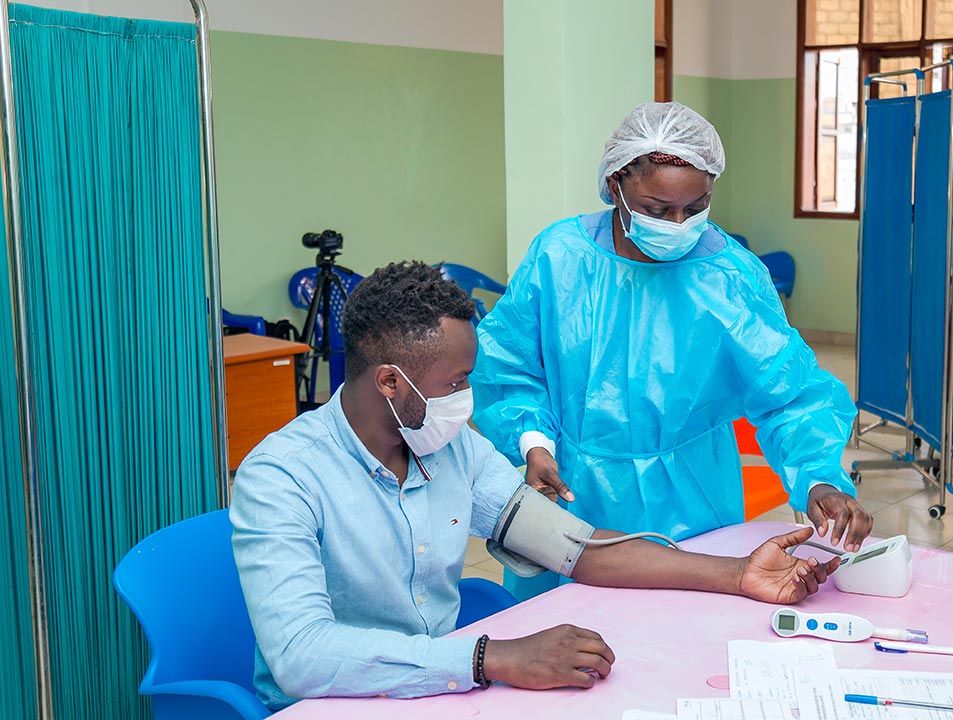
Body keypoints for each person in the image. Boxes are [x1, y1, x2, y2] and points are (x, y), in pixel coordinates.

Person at [230, 261, 841, 709]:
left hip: (439, 689)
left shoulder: (448, 449)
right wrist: (491, 657)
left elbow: (574, 547)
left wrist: (737, 575)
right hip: (332, 702)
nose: (467, 403)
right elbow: (301, 657)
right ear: (390, 382)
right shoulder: (283, 476)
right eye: (455, 383)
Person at [472, 102, 872, 598]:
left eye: (696, 207)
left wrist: (819, 480)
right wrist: (536, 444)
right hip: (576, 493)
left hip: (695, 495)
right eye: (658, 210)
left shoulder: (729, 277)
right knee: (569, 638)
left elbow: (790, 394)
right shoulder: (561, 258)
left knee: (690, 635)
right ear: (617, 183)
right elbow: (509, 365)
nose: (679, 223)